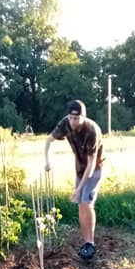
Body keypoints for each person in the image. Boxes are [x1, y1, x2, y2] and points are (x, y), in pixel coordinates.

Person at [44, 100, 104, 260]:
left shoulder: (92, 131)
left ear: (83, 117)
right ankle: (86, 243)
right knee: (80, 206)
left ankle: (91, 244)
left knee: (86, 201)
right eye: (71, 118)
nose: (73, 122)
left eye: (76, 119)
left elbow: (91, 165)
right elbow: (48, 140)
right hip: (79, 169)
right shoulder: (65, 124)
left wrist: (78, 189)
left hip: (94, 170)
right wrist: (47, 160)